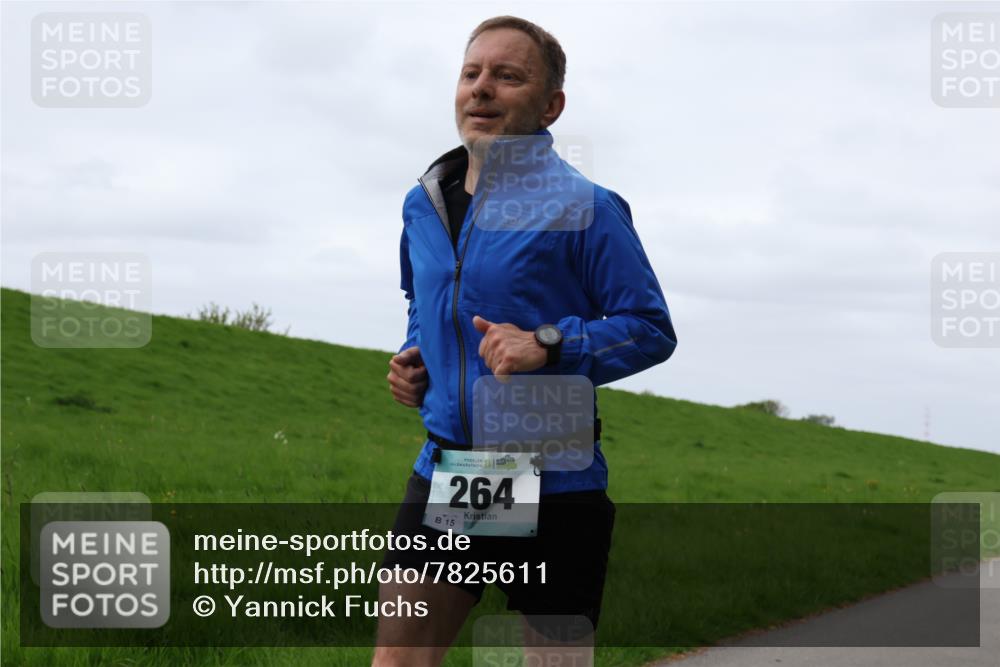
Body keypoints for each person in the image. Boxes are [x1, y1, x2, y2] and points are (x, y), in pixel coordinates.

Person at [375, 15, 677, 667]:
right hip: (455, 468)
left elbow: (650, 330)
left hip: (552, 479)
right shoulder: (422, 203)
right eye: (471, 73)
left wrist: (549, 343)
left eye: (507, 76)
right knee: (399, 659)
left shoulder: (588, 207)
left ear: (550, 105)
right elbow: (424, 300)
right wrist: (415, 357)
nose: (481, 88)